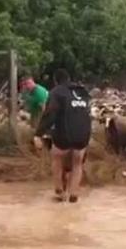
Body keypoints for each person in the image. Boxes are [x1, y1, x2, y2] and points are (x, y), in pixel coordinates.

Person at [33, 69, 91, 204]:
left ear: (55, 80)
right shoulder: (83, 91)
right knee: (77, 163)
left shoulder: (57, 92)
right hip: (83, 134)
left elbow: (50, 114)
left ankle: (59, 191)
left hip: (64, 133)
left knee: (57, 157)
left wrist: (38, 134)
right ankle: (74, 194)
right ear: (69, 78)